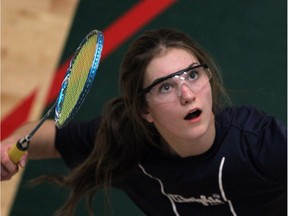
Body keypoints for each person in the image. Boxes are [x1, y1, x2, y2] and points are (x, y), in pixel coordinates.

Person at [1, 28, 286, 216]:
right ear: (144, 111)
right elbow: (49, 138)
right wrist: (11, 146)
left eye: (193, 75)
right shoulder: (126, 142)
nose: (187, 94)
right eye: (165, 87)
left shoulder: (260, 145)